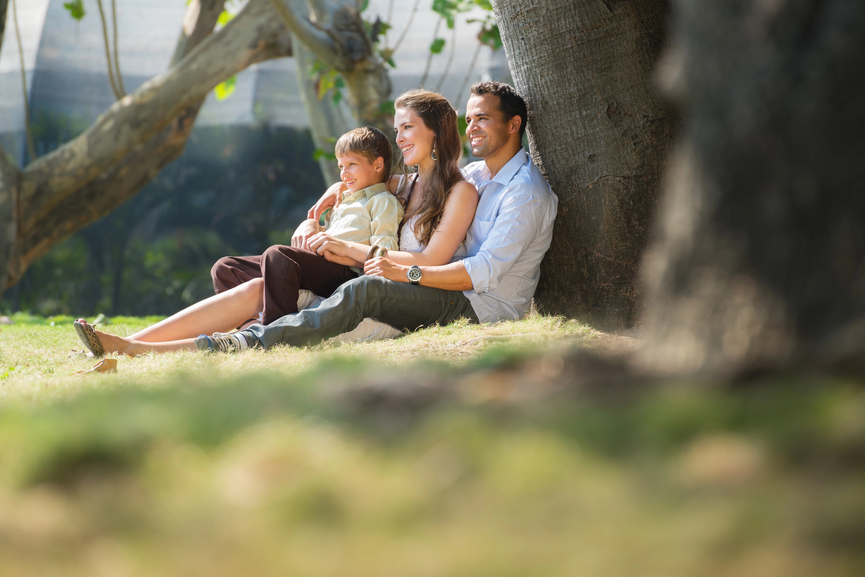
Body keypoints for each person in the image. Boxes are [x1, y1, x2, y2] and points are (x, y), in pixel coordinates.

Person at [73, 90, 479, 356]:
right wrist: (323, 203)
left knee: (275, 259)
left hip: (377, 280)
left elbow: (431, 259)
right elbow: (357, 180)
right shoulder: (404, 181)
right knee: (232, 270)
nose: (401, 137)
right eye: (398, 129)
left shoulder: (456, 190)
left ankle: (267, 332)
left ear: (438, 132)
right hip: (345, 260)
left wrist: (341, 248)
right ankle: (124, 343)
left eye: (408, 127)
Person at [198, 80, 558, 352]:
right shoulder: (477, 174)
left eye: (483, 118)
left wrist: (399, 270)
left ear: (513, 125)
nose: (473, 126)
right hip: (429, 283)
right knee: (236, 267)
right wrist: (333, 194)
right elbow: (377, 180)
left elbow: (481, 272)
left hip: (480, 304)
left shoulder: (525, 193)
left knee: (360, 287)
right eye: (469, 119)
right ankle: (244, 326)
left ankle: (258, 339)